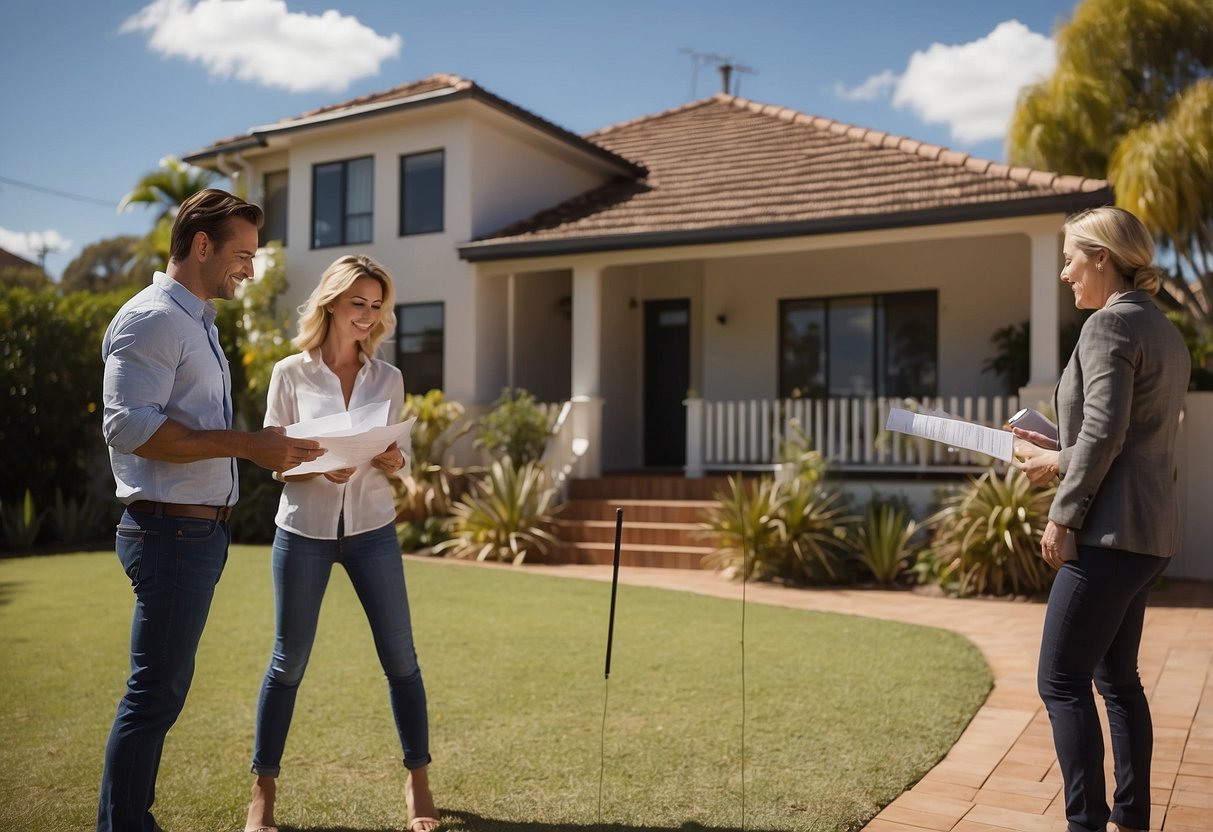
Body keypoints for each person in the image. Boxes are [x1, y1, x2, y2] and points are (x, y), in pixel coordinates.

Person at [98, 188, 326, 832]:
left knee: (161, 691)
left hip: (196, 533)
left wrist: (269, 449)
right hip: (168, 531)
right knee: (154, 694)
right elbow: (129, 428)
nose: (250, 269)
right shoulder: (152, 320)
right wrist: (247, 446)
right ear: (202, 245)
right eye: (243, 254)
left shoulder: (197, 319)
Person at [244, 254, 438, 832]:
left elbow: (400, 459)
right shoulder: (289, 374)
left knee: (401, 659)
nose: (368, 315)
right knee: (288, 663)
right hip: (303, 530)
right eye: (359, 303)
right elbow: (277, 464)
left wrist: (393, 458)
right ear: (331, 302)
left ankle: (418, 783)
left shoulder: (389, 378)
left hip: (373, 530)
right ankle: (263, 792)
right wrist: (317, 469)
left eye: (377, 307)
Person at [1012, 206, 1189, 832]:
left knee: (1060, 680)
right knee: (1118, 681)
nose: (1064, 272)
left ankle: (1084, 824)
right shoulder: (1164, 329)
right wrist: (1055, 448)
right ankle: (1130, 818)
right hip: (1150, 537)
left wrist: (1063, 515)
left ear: (1102, 259)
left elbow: (1106, 434)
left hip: (1109, 536)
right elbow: (1119, 435)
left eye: (1070, 258)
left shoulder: (1107, 328)